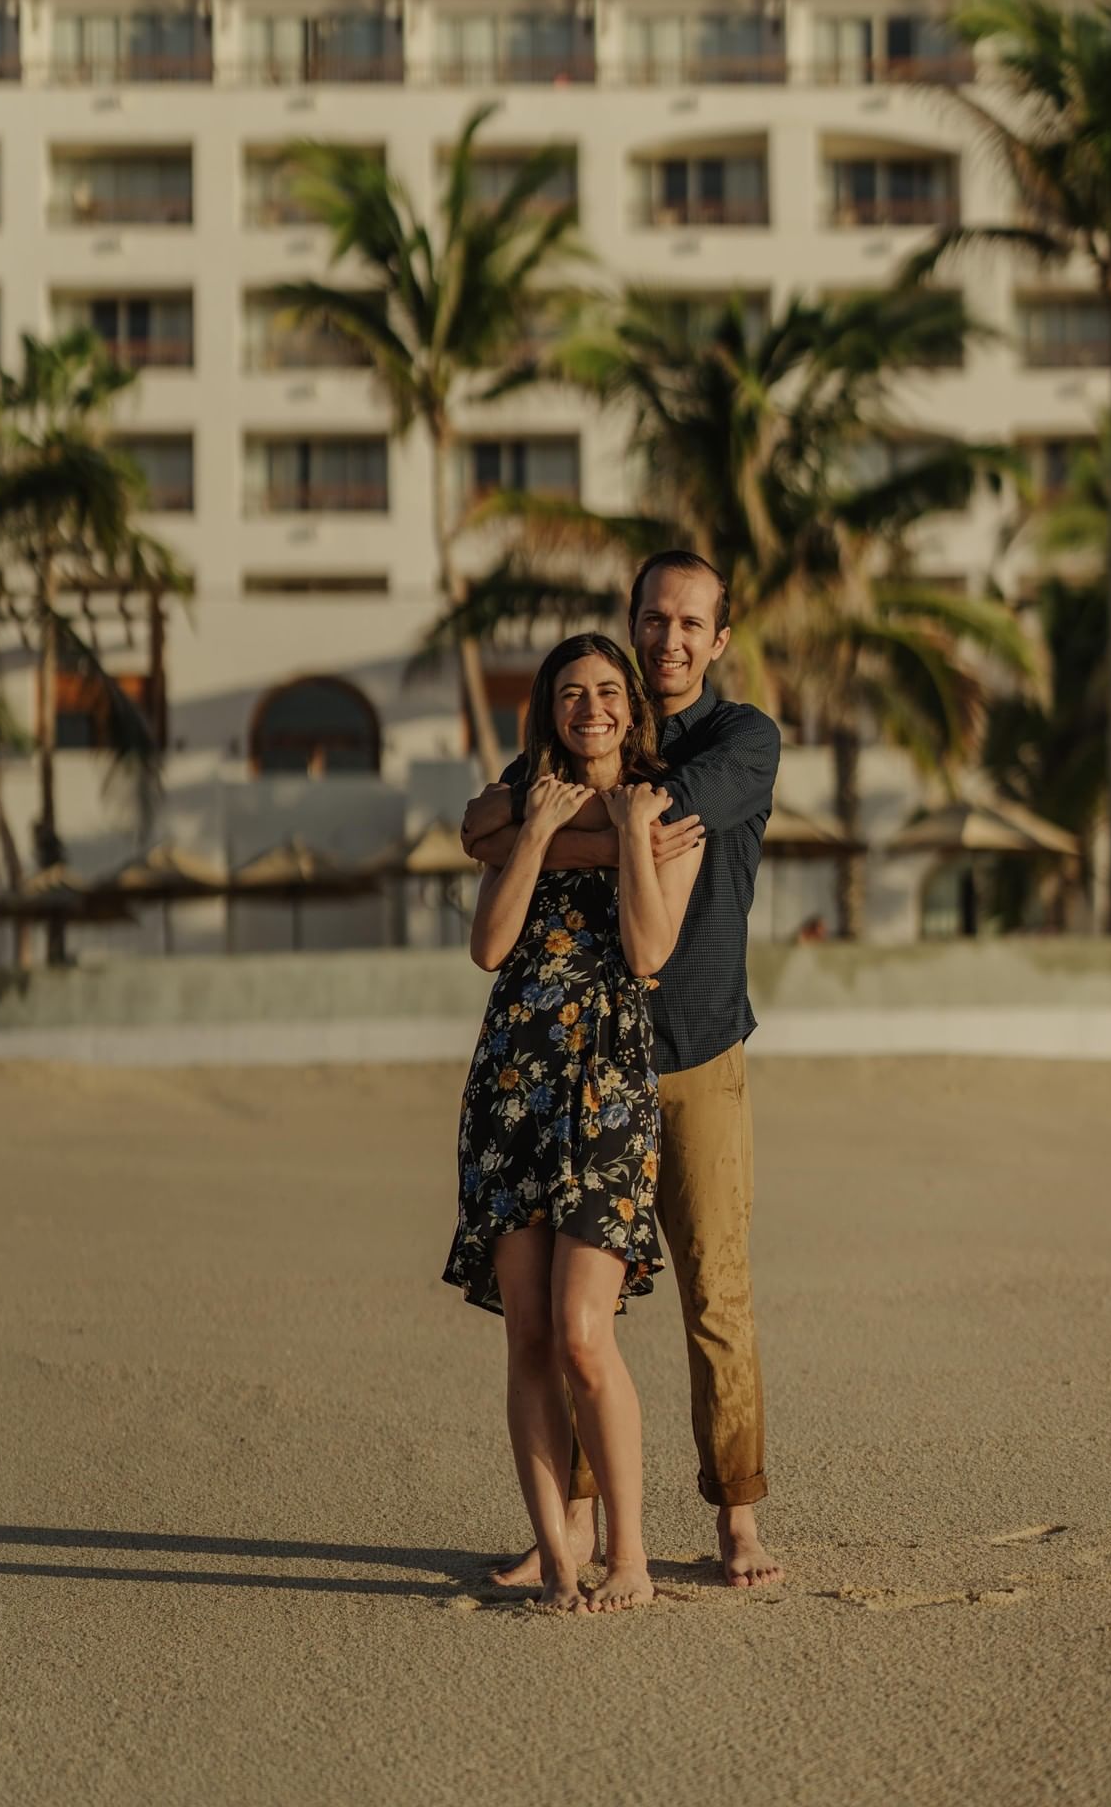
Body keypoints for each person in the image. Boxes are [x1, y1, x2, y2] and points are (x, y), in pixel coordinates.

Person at [462, 551, 784, 1589]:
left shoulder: (742, 739)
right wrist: (544, 823)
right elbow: (476, 821)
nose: (668, 639)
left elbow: (632, 822)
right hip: (573, 1068)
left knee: (711, 1287)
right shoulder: (597, 721)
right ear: (632, 619)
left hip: (691, 1049)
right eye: (654, 618)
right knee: (575, 1315)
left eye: (690, 623)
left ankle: (736, 1516)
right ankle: (572, 1520)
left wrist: (539, 829)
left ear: (718, 638)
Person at [445, 633, 704, 1614]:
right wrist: (536, 833)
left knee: (583, 1333)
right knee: (526, 1335)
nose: (588, 707)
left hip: (608, 1088)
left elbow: (645, 952)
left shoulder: (666, 811)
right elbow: (488, 945)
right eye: (569, 693)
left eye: (605, 691)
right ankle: (558, 1557)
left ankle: (629, 1555)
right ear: (548, 710)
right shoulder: (524, 801)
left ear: (630, 707)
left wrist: (627, 834)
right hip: (512, 1084)